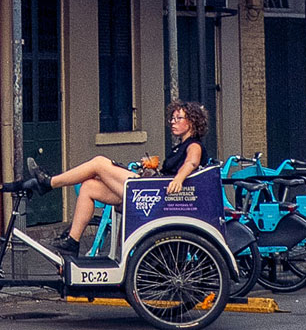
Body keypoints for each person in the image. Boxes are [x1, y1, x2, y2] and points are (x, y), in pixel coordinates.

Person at [40, 101, 208, 255]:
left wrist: (178, 179)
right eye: (172, 118)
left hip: (155, 194)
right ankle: (72, 241)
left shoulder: (194, 145)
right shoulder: (180, 146)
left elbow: (191, 163)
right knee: (88, 187)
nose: (173, 121)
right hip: (153, 190)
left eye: (179, 118)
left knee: (99, 162)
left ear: (192, 122)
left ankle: (49, 183)